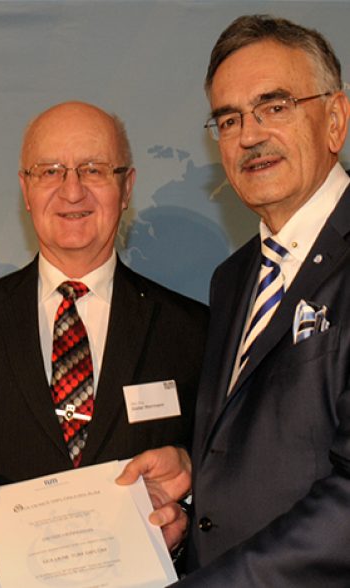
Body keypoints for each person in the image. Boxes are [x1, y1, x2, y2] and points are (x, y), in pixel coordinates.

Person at [118, 14, 350, 585]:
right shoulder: (234, 276)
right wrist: (193, 493)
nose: (249, 134)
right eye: (228, 118)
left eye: (275, 106)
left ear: (335, 120)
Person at [0, 101, 208, 527]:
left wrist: (186, 509)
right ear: (25, 190)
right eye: (49, 171)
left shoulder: (194, 331)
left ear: (127, 189)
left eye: (94, 169)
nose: (72, 191)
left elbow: (219, 467)